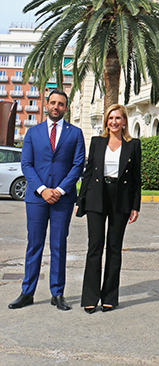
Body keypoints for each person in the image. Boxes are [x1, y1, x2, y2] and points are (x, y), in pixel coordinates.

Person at [9, 89, 85, 311]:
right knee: (34, 245)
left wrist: (59, 190)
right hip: (36, 198)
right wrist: (42, 190)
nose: (56, 107)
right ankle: (27, 292)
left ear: (66, 107)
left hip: (62, 199)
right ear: (46, 105)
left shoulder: (75, 133)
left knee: (59, 245)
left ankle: (57, 293)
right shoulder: (33, 133)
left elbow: (77, 165)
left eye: (60, 104)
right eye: (52, 103)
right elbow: (27, 165)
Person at [75, 104, 141, 313]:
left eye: (118, 118)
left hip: (121, 198)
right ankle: (90, 296)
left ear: (124, 122)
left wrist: (135, 206)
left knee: (114, 248)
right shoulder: (97, 142)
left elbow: (136, 179)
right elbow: (87, 173)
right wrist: (81, 200)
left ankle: (110, 296)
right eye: (110, 118)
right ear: (106, 121)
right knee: (94, 246)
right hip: (97, 195)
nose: (114, 122)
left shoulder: (133, 145)